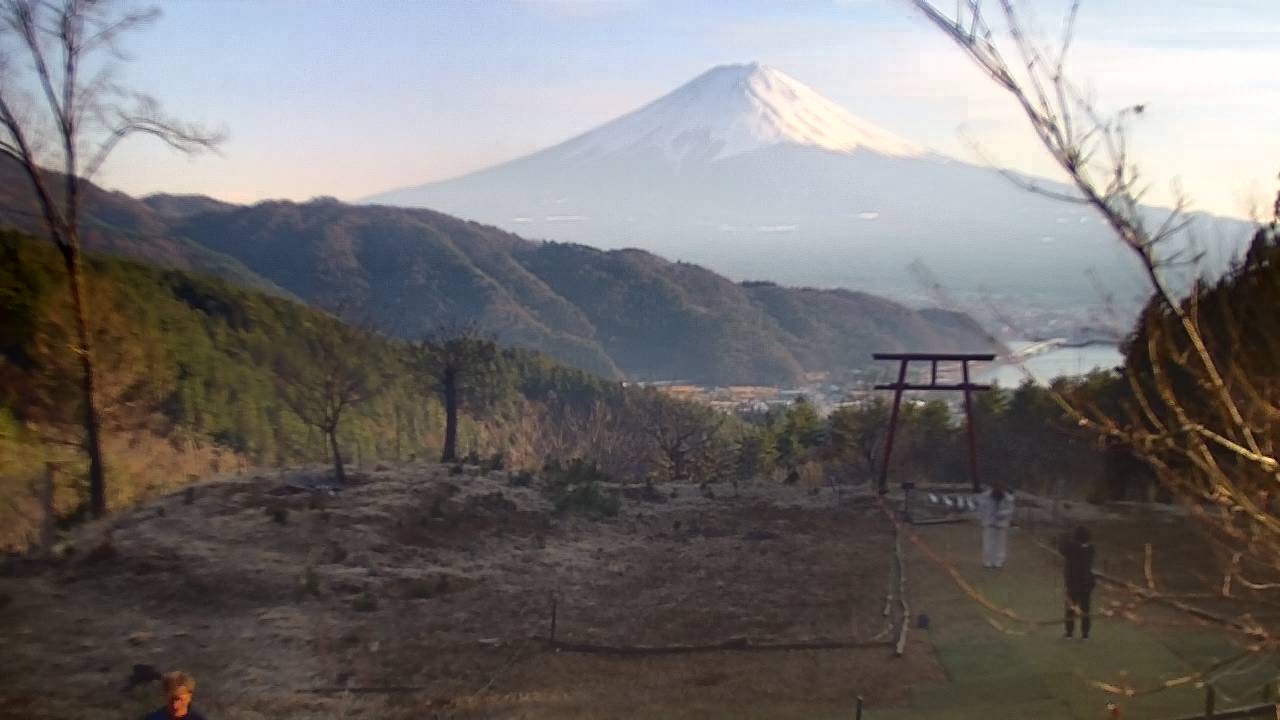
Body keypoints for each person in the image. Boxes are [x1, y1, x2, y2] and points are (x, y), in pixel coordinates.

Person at [1060, 525, 1097, 639]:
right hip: (1086, 583)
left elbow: (1063, 549)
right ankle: (1085, 633)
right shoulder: (1090, 548)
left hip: (1073, 582)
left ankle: (1069, 632)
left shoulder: (1072, 548)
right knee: (1085, 608)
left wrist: (1065, 536)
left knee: (1070, 608)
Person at [976, 481, 1015, 568]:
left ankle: (998, 562)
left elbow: (1010, 510)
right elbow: (981, 508)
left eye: (1001, 488)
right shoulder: (985, 496)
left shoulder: (1008, 498)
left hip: (1001, 523)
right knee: (988, 543)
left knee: (1000, 543)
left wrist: (1001, 513)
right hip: (989, 522)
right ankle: (987, 561)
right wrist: (982, 518)